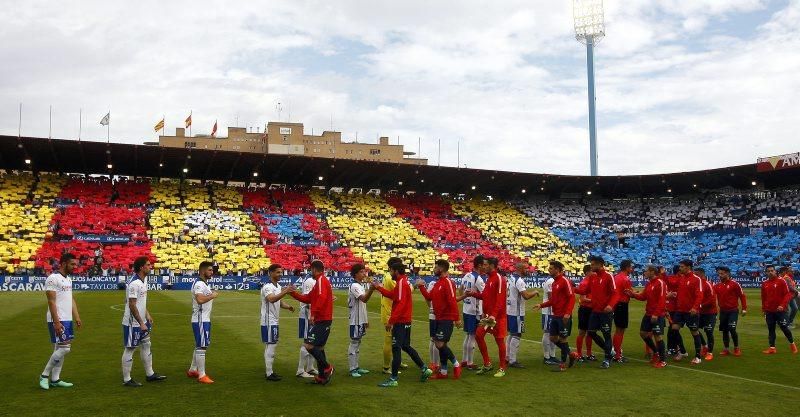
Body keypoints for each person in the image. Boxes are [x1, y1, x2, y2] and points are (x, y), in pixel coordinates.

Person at [373, 262, 433, 387]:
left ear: (396, 271)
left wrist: (391, 321)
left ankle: (393, 379)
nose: (390, 273)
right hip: (406, 320)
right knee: (406, 346)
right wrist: (379, 287)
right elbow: (393, 296)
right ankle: (424, 368)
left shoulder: (401, 283)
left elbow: (399, 304)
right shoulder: (403, 282)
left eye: (391, 270)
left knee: (396, 348)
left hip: (400, 321)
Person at [39, 253, 82, 390]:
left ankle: (55, 379)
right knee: (65, 348)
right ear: (63, 264)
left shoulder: (68, 279)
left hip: (67, 318)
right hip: (57, 318)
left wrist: (77, 316)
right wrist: (56, 322)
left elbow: (71, 299)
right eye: (72, 264)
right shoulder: (53, 278)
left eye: (75, 264)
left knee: (59, 348)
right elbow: (51, 301)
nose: (75, 267)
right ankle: (44, 376)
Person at [121, 256, 166, 387]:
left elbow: (141, 303)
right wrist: (141, 323)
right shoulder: (134, 283)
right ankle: (127, 379)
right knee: (130, 348)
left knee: (147, 344)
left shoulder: (143, 281)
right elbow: (132, 305)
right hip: (132, 323)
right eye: (148, 265)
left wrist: (147, 315)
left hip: (142, 320)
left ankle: (150, 374)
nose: (150, 266)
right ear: (141, 267)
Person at [288, 260, 335, 384]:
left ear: (314, 269)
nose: (310, 272)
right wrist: (292, 293)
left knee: (309, 345)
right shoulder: (319, 282)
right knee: (319, 348)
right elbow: (308, 298)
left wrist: (313, 314)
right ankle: (322, 377)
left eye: (311, 270)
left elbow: (321, 298)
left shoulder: (321, 280)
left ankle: (327, 367)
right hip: (323, 318)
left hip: (322, 319)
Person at [416, 259, 462, 379]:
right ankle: (444, 372)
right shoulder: (438, 283)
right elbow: (429, 297)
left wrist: (457, 319)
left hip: (446, 318)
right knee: (440, 345)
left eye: (436, 267)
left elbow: (452, 301)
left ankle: (456, 364)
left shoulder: (448, 282)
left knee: (439, 344)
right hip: (438, 318)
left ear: (441, 269)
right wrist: (421, 287)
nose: (434, 269)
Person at [532, 261, 579, 372]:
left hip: (563, 315)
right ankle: (571, 354)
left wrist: (568, 313)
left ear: (557, 269)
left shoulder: (564, 281)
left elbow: (571, 298)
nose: (549, 270)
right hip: (555, 315)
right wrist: (541, 305)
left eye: (551, 268)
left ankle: (563, 365)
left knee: (563, 339)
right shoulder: (554, 283)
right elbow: (553, 300)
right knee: (553, 338)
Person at [467, 257, 509, 377]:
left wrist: (493, 316)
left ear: (492, 265)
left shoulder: (499, 279)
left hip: (497, 317)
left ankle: (502, 368)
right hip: (488, 316)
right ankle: (487, 364)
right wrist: (473, 294)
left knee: (499, 341)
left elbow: (500, 300)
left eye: (485, 265)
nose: (483, 267)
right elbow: (485, 296)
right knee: (479, 335)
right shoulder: (489, 278)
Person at [575, 255, 619, 369]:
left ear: (600, 264)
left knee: (606, 335)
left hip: (605, 312)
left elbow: (615, 293)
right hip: (595, 311)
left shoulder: (608, 276)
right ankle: (609, 351)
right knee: (591, 332)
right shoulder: (593, 277)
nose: (591, 266)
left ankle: (607, 359)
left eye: (593, 264)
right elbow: (584, 291)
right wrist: (573, 288)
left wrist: (610, 305)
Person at [626, 265, 668, 368]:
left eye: (646, 271)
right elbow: (643, 297)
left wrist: (656, 314)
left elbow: (662, 300)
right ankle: (656, 352)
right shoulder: (649, 284)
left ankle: (662, 360)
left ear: (652, 272)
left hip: (657, 314)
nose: (644, 273)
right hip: (649, 313)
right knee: (643, 333)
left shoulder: (660, 283)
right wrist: (633, 295)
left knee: (657, 336)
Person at [261, 264, 296, 381]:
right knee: (271, 345)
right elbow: (271, 299)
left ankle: (270, 371)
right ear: (271, 273)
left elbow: (280, 302)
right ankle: (269, 373)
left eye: (281, 272)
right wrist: (285, 291)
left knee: (272, 344)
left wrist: (289, 307)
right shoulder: (267, 287)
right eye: (277, 272)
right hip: (268, 321)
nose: (280, 274)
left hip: (274, 321)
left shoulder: (278, 286)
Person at [187, 261, 218, 384]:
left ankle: (193, 370)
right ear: (202, 271)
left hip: (203, 319)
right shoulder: (199, 283)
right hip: (200, 319)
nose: (212, 272)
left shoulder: (203, 283)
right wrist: (213, 295)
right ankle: (202, 375)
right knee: (202, 346)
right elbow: (199, 299)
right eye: (210, 270)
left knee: (200, 344)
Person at [668, 260, 704, 364]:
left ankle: (698, 357)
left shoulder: (696, 279)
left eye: (682, 267)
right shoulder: (682, 278)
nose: (680, 268)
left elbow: (700, 295)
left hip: (691, 311)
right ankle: (683, 351)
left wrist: (695, 308)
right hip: (680, 310)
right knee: (674, 329)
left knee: (694, 332)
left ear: (688, 267)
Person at [506, 261, 539, 368]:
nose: (528, 270)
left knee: (512, 333)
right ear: (520, 269)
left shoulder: (510, 278)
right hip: (517, 313)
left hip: (509, 311)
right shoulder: (519, 280)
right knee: (517, 334)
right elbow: (526, 296)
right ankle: (512, 360)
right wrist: (534, 292)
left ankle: (507, 357)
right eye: (526, 268)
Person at [380, 257, 410, 374]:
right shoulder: (391, 278)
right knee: (390, 340)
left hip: (389, 310)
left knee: (398, 339)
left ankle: (397, 361)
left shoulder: (388, 276)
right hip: (390, 312)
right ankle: (386, 367)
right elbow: (402, 292)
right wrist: (411, 286)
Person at [760, 265, 798, 354]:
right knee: (771, 329)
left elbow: (788, 294)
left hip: (781, 310)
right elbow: (763, 297)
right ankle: (772, 348)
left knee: (784, 327)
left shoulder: (782, 281)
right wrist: (764, 309)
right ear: (766, 273)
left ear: (775, 271)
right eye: (768, 271)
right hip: (769, 311)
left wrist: (782, 305)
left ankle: (792, 344)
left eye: (772, 270)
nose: (770, 272)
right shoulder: (764, 283)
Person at [457, 255, 486, 369]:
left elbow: (460, 289)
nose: (485, 267)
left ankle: (464, 360)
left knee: (469, 335)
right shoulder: (478, 279)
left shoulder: (467, 275)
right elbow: (485, 295)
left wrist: (465, 299)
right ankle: (470, 362)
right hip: (475, 311)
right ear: (479, 265)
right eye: (484, 264)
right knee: (473, 335)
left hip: (466, 309)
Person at [348, 263, 375, 378]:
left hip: (360, 319)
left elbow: (363, 305)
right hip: (355, 320)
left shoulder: (359, 285)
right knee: (354, 342)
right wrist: (372, 289)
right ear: (356, 274)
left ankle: (356, 366)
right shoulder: (354, 286)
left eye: (365, 271)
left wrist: (365, 319)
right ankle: (352, 368)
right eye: (362, 272)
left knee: (358, 342)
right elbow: (364, 299)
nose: (364, 273)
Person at [714, 266, 747, 356]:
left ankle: (736, 348)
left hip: (733, 310)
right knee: (724, 330)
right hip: (723, 311)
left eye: (722, 273)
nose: (720, 275)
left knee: (732, 329)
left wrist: (744, 308)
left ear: (727, 273)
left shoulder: (735, 284)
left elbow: (742, 296)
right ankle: (726, 349)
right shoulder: (717, 286)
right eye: (719, 273)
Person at [295, 269, 318, 378]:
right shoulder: (309, 281)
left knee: (313, 341)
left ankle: (310, 367)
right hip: (307, 315)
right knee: (307, 341)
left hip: (314, 316)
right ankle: (300, 370)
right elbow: (307, 299)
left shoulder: (318, 281)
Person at [612, 260, 634, 363]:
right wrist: (636, 294)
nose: (632, 269)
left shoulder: (617, 277)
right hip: (622, 304)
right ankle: (617, 354)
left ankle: (616, 352)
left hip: (617, 305)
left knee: (618, 329)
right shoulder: (625, 279)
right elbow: (630, 293)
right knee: (620, 330)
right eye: (631, 267)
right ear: (627, 268)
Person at [695, 268, 717, 361]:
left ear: (700, 274)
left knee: (708, 331)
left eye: (696, 274)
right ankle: (704, 346)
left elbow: (712, 300)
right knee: (694, 328)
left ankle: (710, 352)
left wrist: (700, 305)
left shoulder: (707, 284)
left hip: (710, 312)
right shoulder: (697, 284)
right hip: (700, 312)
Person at [575, 265, 595, 362]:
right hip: (584, 309)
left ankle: (589, 353)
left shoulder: (593, 282)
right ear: (587, 272)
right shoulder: (584, 283)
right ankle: (579, 354)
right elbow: (583, 299)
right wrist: (594, 300)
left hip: (591, 309)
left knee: (590, 332)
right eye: (592, 271)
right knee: (582, 332)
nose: (594, 272)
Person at [539, 268, 558, 365]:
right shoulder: (551, 281)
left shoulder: (551, 280)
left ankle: (552, 356)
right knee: (547, 332)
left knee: (553, 333)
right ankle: (547, 357)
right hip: (548, 311)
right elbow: (552, 297)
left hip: (553, 311)